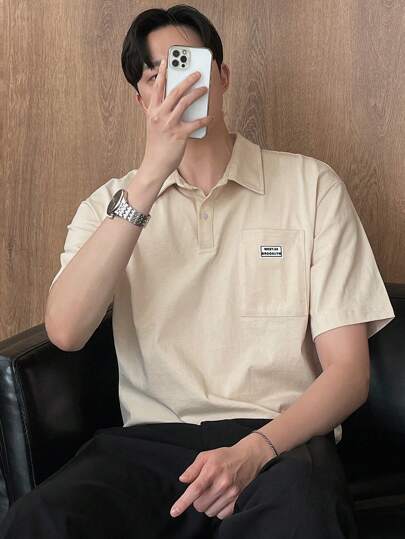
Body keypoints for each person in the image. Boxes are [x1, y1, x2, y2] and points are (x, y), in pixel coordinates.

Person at [1, 4, 395, 538]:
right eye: (154, 76)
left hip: (278, 442)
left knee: (301, 516)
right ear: (141, 100)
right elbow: (65, 332)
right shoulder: (109, 205)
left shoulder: (312, 187)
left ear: (222, 76)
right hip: (150, 444)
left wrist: (255, 450)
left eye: (187, 65)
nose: (174, 85)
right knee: (37, 519)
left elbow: (348, 373)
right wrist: (150, 176)